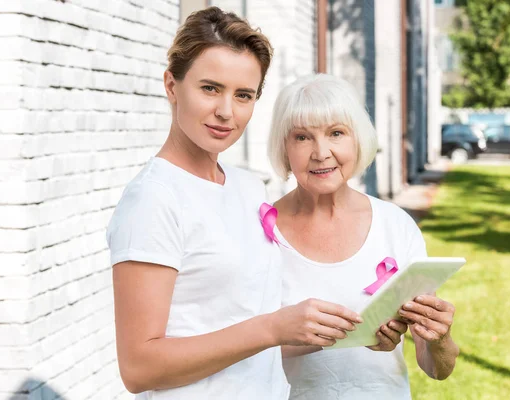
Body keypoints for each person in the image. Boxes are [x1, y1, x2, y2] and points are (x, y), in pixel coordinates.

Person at [106, 9, 362, 399]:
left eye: (244, 95)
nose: (227, 111)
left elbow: (249, 337)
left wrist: (347, 329)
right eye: (210, 88)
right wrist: (273, 327)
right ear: (172, 86)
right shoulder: (154, 200)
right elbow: (139, 368)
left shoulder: (246, 187)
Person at [267, 74, 460, 399]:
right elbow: (237, 348)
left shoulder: (396, 226)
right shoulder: (260, 231)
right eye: (302, 137)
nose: (321, 152)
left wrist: (439, 339)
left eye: (336, 133)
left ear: (358, 140)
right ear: (284, 148)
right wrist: (334, 334)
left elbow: (436, 368)